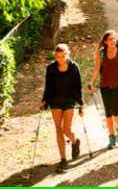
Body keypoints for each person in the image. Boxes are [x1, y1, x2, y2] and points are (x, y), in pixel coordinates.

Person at [40, 43, 84, 172]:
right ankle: (63, 159)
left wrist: (81, 104)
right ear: (55, 56)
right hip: (55, 101)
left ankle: (74, 141)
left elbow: (78, 87)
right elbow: (48, 87)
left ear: (67, 54)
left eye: (63, 56)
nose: (60, 59)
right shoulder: (51, 68)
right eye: (58, 57)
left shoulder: (74, 67)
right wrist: (44, 101)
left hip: (69, 101)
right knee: (58, 129)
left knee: (66, 129)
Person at [87, 30, 118, 149]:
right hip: (104, 85)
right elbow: (97, 69)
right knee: (108, 112)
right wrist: (91, 82)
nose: (112, 41)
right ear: (105, 41)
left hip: (117, 84)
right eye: (110, 39)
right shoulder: (101, 53)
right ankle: (111, 137)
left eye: (114, 39)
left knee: (115, 110)